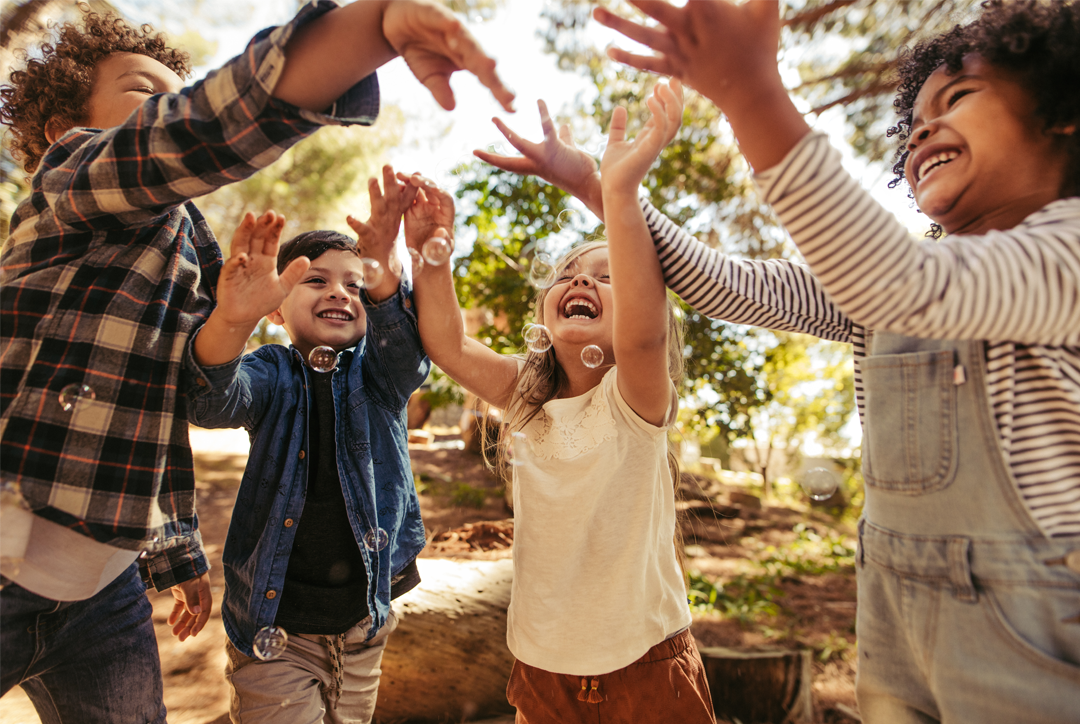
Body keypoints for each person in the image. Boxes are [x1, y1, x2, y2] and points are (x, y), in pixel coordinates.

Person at [480, 0, 1080, 721]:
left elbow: (908, 285)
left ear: (1061, 112)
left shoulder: (1066, 249)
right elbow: (724, 282)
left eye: (957, 97)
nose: (922, 128)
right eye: (913, 120)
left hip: (1033, 628)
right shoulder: (882, 285)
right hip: (896, 618)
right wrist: (606, 188)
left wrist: (751, 95)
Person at [0, 2, 512, 721]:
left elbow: (158, 409)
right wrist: (366, 33)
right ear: (63, 129)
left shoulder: (196, 250)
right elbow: (187, 137)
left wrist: (176, 553)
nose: (165, 104)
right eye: (144, 91)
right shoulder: (71, 183)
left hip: (105, 590)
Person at [402, 80, 714, 724]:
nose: (580, 279)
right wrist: (431, 255)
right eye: (570, 273)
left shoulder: (635, 396)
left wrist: (618, 193)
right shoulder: (528, 397)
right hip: (542, 666)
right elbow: (449, 344)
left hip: (645, 666)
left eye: (607, 275)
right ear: (546, 307)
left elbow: (645, 325)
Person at [182, 164, 428, 724]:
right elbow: (211, 401)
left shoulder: (379, 376)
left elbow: (407, 354)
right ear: (275, 307)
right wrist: (230, 318)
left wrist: (386, 269)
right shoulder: (272, 371)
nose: (340, 292)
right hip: (275, 630)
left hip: (364, 624)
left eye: (355, 283)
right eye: (315, 281)